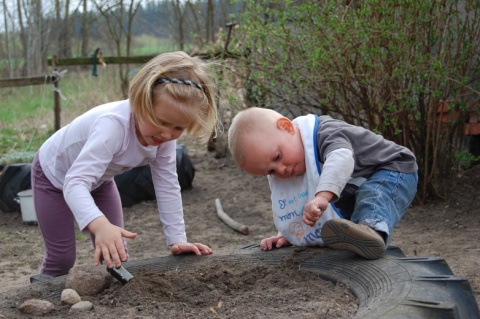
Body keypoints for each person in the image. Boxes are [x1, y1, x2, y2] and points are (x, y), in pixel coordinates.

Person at [31, 51, 218, 277]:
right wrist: (99, 225)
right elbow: (75, 182)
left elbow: (167, 184)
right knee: (62, 257)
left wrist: (178, 240)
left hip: (99, 181)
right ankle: (39, 297)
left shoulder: (164, 138)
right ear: (142, 103)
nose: (168, 133)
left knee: (118, 252)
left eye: (179, 128)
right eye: (161, 122)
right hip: (53, 177)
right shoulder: (113, 126)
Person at [228, 107, 418, 260]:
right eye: (270, 171)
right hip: (356, 185)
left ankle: (372, 233)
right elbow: (296, 200)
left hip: (392, 169)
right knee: (355, 203)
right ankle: (359, 239)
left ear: (286, 127)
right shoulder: (292, 162)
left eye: (277, 157)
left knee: (373, 195)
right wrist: (289, 233)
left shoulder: (324, 132)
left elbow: (341, 159)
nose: (281, 170)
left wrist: (322, 195)